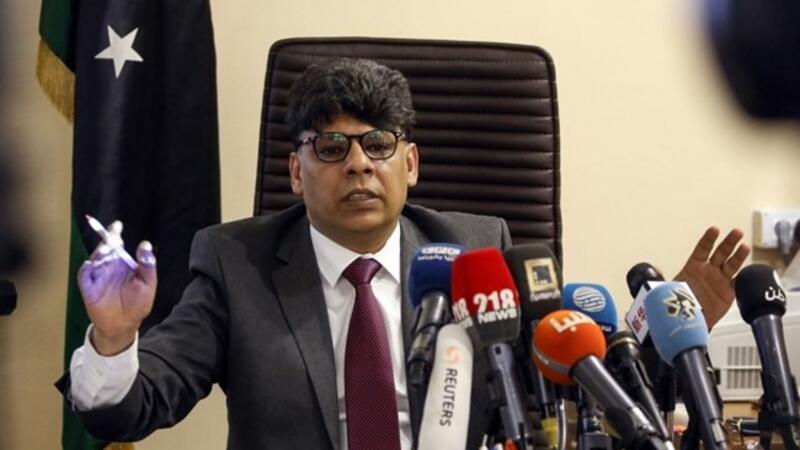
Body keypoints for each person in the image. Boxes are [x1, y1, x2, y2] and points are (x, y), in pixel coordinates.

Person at [59, 58, 750, 450]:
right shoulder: (235, 263)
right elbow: (131, 408)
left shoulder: (480, 251)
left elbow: (576, 387)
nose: (358, 164)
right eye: (331, 148)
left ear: (410, 164)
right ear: (296, 172)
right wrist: (114, 339)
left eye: (378, 144)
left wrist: (670, 336)